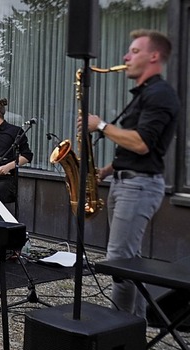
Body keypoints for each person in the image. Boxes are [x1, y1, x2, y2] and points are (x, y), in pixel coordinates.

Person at [84, 29, 180, 317]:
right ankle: (134, 328)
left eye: (134, 52)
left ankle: (120, 331)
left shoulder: (160, 94)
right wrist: (106, 170)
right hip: (126, 182)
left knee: (119, 262)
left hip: (138, 187)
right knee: (129, 260)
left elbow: (141, 144)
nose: (126, 57)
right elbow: (136, 146)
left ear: (154, 57)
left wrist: (100, 126)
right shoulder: (144, 94)